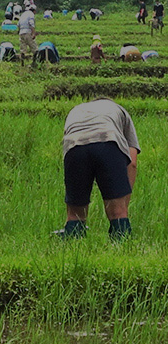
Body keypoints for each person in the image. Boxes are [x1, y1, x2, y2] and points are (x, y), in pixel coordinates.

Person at [57, 98, 140, 240]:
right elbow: (132, 163)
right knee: (118, 212)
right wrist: (123, 203)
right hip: (108, 141)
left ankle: (72, 247)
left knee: (75, 213)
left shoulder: (76, 110)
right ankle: (121, 251)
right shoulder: (120, 111)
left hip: (74, 146)